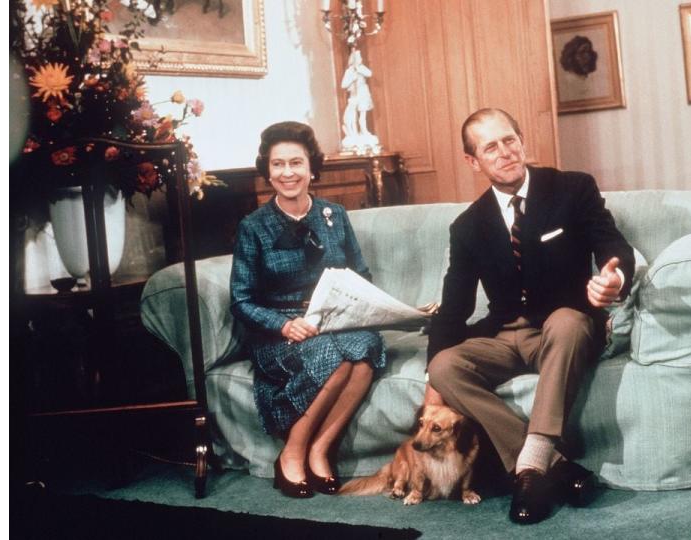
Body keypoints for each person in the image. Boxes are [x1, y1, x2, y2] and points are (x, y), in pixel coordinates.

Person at [424, 108, 635, 524]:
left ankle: (530, 467)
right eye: (490, 147)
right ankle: (556, 466)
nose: (504, 153)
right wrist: (432, 382)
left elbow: (613, 245)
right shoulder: (467, 226)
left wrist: (616, 278)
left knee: (567, 321)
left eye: (510, 140)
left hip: (567, 328)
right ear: (473, 161)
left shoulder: (572, 188)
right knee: (445, 365)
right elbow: (454, 308)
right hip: (505, 336)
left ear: (521, 141)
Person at [230, 121, 386, 498]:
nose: (288, 173)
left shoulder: (334, 215)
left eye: (296, 163)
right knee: (337, 358)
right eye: (278, 164)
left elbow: (359, 274)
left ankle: (319, 449)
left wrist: (356, 308)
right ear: (267, 171)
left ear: (312, 167)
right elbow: (242, 300)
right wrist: (283, 326)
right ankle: (292, 454)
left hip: (332, 322)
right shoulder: (253, 227)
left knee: (367, 349)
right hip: (278, 333)